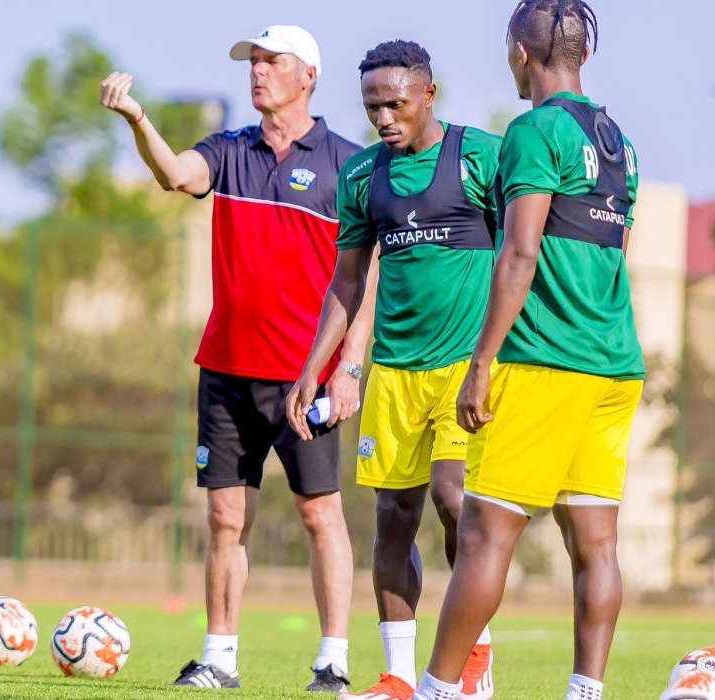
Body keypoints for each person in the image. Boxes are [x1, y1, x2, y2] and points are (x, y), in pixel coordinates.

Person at [101, 25, 368, 693]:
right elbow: (173, 174)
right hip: (225, 369)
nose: (258, 71)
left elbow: (368, 278)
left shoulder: (350, 164)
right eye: (253, 62)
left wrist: (347, 369)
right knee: (225, 518)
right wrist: (136, 117)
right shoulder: (228, 150)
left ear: (308, 76)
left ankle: (333, 662)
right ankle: (219, 658)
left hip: (306, 378)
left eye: (272, 61)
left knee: (319, 514)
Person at [412, 2, 641, 700]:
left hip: (546, 362)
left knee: (484, 535)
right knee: (595, 544)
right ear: (584, 55)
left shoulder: (533, 130)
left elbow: (519, 253)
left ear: (520, 52)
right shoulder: (619, 141)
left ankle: (436, 692)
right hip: (614, 365)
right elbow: (615, 253)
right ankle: (585, 693)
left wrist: (480, 363)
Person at [286, 40, 500, 700]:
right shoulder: (362, 176)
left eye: (395, 104)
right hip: (393, 375)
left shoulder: (480, 157)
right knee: (393, 516)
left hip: (464, 369)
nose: (383, 118)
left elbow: (522, 249)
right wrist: (315, 367)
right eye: (372, 106)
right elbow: (348, 282)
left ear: (429, 94)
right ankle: (400, 678)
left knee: (454, 500)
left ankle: (475, 656)